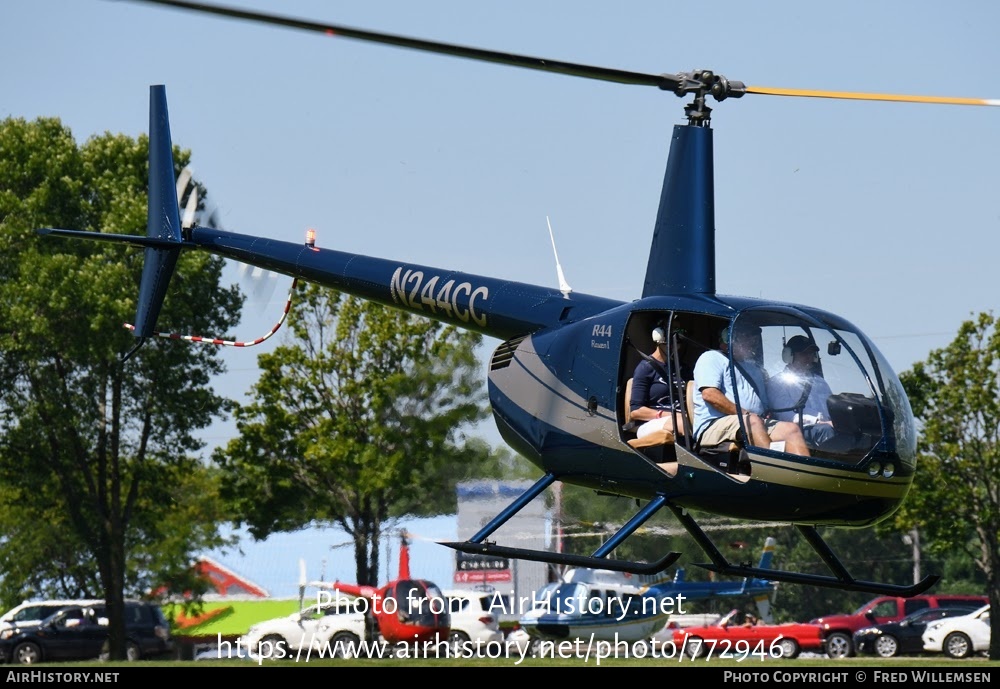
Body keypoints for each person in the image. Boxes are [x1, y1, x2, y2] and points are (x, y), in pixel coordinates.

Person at [692, 324, 809, 456]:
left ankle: (805, 476)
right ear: (730, 338)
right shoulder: (712, 357)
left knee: (791, 429)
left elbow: (763, 404)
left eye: (754, 337)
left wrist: (766, 413)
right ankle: (772, 471)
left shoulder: (754, 369)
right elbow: (710, 395)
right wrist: (744, 414)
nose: (753, 341)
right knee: (752, 421)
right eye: (747, 337)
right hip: (714, 426)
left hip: (752, 422)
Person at [766, 335, 836, 446]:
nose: (808, 357)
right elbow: (786, 415)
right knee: (826, 431)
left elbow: (832, 407)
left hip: (827, 426)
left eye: (811, 354)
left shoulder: (821, 382)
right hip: (798, 430)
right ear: (789, 356)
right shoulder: (777, 382)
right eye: (803, 354)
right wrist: (820, 421)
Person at [629, 326, 689, 440]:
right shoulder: (645, 368)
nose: (673, 347)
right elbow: (635, 411)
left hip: (682, 418)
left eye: (677, 344)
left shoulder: (683, 369)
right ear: (659, 339)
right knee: (684, 423)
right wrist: (668, 415)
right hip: (651, 422)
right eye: (669, 344)